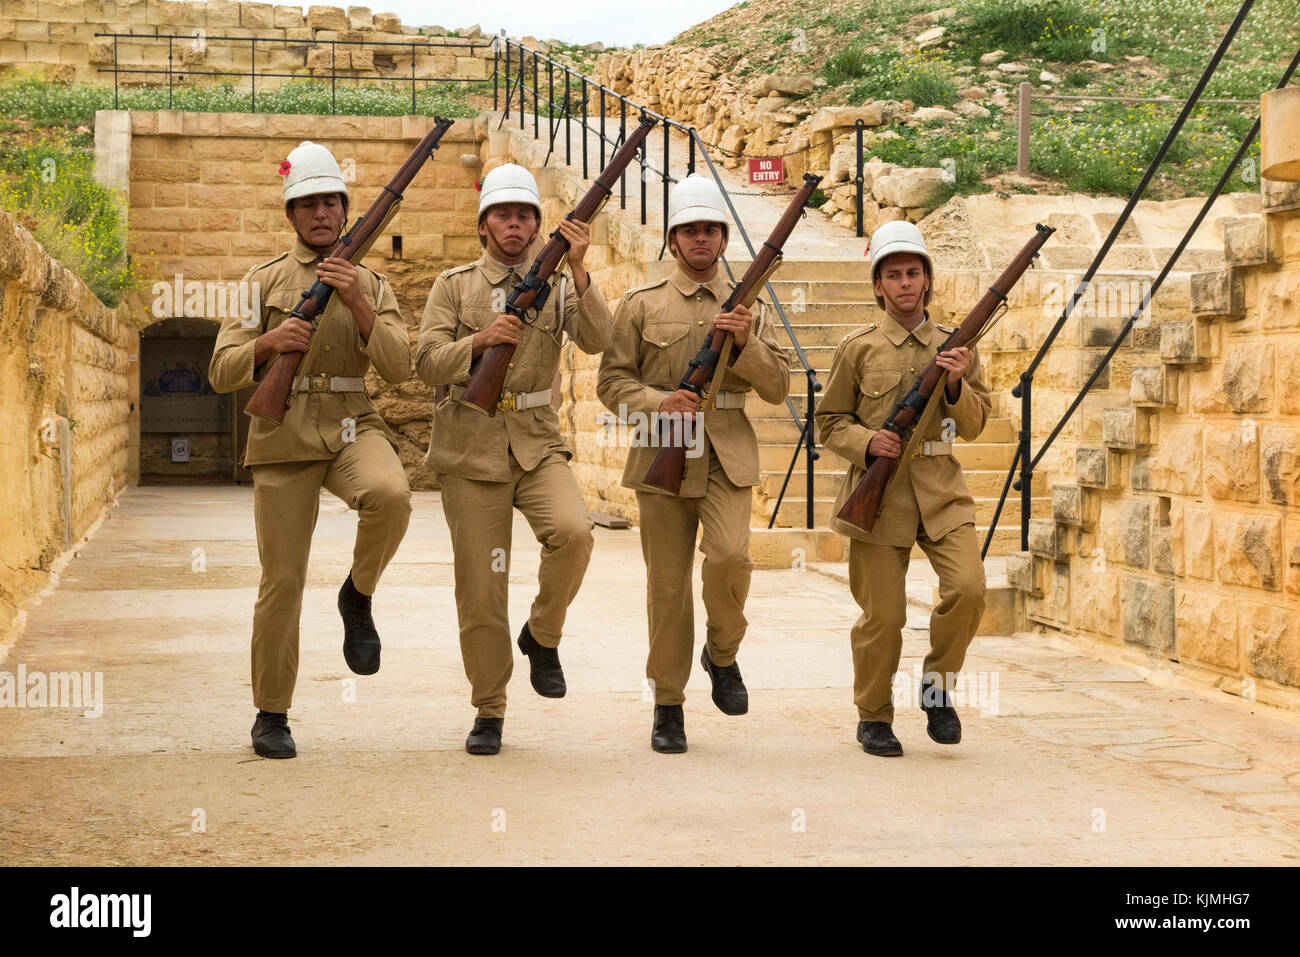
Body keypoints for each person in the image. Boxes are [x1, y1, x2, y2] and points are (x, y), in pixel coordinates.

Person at [209, 140, 413, 759]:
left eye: (332, 202)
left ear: (346, 210)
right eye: (309, 203)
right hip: (284, 433)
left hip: (353, 422)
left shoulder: (371, 282)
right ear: (291, 214)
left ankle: (358, 592)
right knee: (282, 581)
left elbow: (403, 368)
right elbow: (220, 371)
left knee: (392, 495)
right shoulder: (262, 281)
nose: (322, 212)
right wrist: (268, 343)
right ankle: (272, 713)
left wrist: (354, 297)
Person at [415, 163, 614, 755]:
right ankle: (490, 707)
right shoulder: (453, 286)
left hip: (535, 440)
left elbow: (600, 340)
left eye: (525, 215)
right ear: (483, 227)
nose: (515, 224)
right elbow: (423, 362)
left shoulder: (556, 284)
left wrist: (580, 268)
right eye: (503, 215)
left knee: (574, 533)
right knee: (482, 588)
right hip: (470, 445)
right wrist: (478, 342)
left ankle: (542, 635)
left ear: (537, 226)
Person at [596, 174, 789, 753]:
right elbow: (612, 382)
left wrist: (748, 342)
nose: (700, 239)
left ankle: (722, 653)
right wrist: (660, 402)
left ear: (724, 239)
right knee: (668, 586)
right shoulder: (640, 304)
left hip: (727, 453)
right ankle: (668, 703)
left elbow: (779, 387)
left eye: (710, 230)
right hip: (662, 451)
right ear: (674, 240)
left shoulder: (750, 307)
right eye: (690, 230)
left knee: (730, 558)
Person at [814, 220, 990, 757]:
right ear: (878, 285)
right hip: (879, 494)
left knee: (969, 589)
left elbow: (978, 423)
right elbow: (828, 422)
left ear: (927, 280)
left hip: (942, 491)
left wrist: (957, 383)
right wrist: (869, 444)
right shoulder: (858, 348)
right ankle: (873, 715)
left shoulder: (958, 348)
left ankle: (938, 690)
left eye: (914, 272)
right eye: (894, 274)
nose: (906, 283)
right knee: (884, 618)